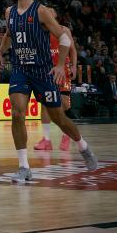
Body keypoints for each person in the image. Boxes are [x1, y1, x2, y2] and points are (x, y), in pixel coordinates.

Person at [0, 0, 97, 183]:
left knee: (59, 118)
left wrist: (60, 65)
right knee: (17, 113)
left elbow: (64, 37)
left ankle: (83, 146)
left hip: (43, 72)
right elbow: (9, 34)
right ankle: (24, 167)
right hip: (20, 69)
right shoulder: (9, 12)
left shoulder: (41, 11)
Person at [34, 8, 78, 151]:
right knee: (45, 104)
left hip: (63, 69)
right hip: (46, 70)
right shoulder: (38, 30)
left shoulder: (64, 30)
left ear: (55, 15)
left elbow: (73, 50)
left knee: (64, 104)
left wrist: (74, 66)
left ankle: (66, 135)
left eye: (50, 11)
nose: (46, 12)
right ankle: (46, 140)